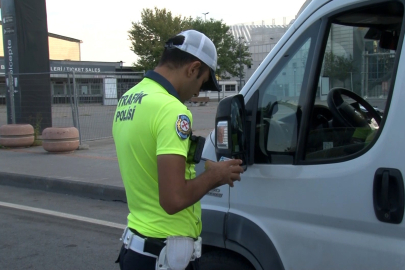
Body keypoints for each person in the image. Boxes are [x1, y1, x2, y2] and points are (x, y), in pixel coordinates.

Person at [112, 29, 244, 270]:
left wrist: (204, 166)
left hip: (136, 249)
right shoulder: (171, 109)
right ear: (193, 69)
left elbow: (149, 160)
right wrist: (216, 176)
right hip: (162, 255)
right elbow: (173, 199)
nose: (196, 92)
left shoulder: (129, 99)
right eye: (201, 82)